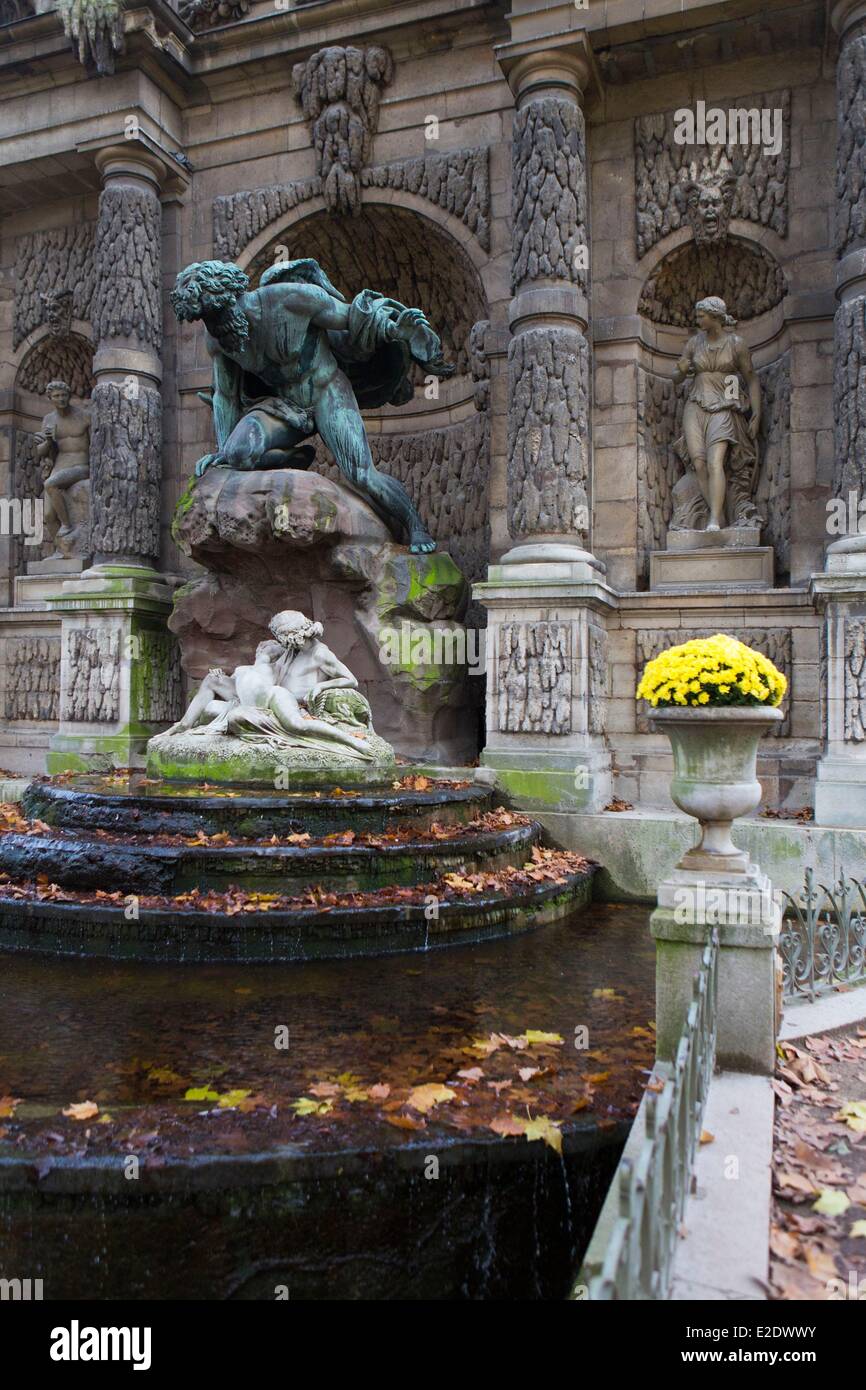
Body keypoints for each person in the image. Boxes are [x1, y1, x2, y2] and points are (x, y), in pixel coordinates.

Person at [672, 296, 761, 531]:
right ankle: (718, 515)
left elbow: (751, 378)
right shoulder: (693, 344)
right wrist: (679, 373)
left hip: (724, 406)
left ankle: (713, 519)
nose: (698, 319)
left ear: (715, 317)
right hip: (695, 405)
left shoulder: (736, 343)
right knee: (698, 463)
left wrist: (757, 413)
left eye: (701, 316)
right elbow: (677, 377)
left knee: (714, 462)